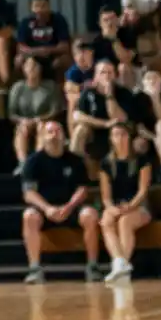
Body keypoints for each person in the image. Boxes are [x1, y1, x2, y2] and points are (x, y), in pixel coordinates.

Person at [20, 120, 102, 283]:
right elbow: (29, 193)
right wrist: (48, 208)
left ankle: (92, 266)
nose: (54, 135)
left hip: (71, 208)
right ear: (42, 137)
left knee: (91, 214)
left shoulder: (75, 160)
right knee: (29, 215)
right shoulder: (33, 161)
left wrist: (69, 207)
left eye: (58, 131)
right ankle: (35, 268)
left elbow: (82, 190)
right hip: (45, 210)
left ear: (64, 136)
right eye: (50, 132)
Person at [98, 121, 152, 283]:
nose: (119, 138)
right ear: (111, 139)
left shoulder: (141, 160)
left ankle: (122, 265)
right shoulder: (106, 163)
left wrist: (131, 206)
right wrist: (111, 208)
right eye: (116, 135)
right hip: (117, 204)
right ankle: (120, 263)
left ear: (129, 137)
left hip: (139, 206)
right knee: (106, 220)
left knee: (125, 222)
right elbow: (106, 196)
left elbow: (143, 190)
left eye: (123, 134)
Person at [8, 56, 63, 171]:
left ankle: (38, 162)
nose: (31, 69)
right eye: (28, 66)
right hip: (24, 122)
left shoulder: (50, 86)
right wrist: (22, 120)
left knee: (42, 127)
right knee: (22, 129)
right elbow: (11, 114)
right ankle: (23, 163)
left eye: (34, 66)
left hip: (44, 121)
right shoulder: (17, 88)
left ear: (40, 68)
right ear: (23, 69)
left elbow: (55, 110)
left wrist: (39, 119)